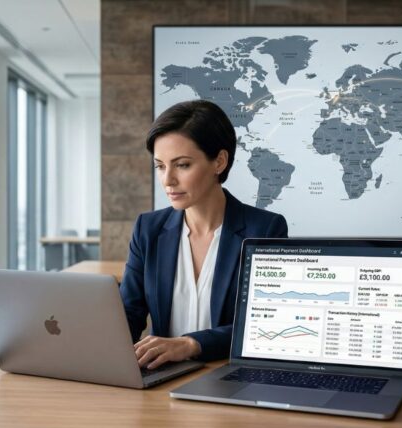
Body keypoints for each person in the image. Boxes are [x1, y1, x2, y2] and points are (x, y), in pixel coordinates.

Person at [120, 100, 288, 369]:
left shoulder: (266, 230)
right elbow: (128, 314)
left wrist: (190, 344)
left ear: (219, 162)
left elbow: (265, 324)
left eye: (182, 165)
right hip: (163, 379)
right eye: (160, 166)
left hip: (230, 377)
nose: (167, 180)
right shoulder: (147, 229)